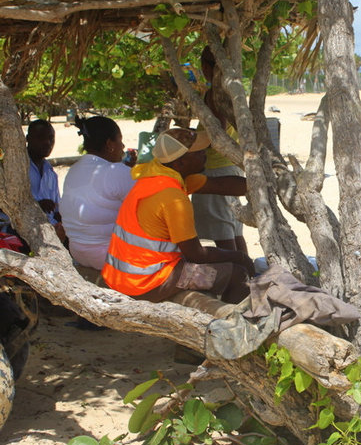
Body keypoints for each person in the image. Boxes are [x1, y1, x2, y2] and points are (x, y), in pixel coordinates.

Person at [101, 127, 255, 304]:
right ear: (181, 163)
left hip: (122, 276)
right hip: (147, 283)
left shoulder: (157, 175)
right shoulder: (173, 198)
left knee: (228, 264)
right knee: (237, 274)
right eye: (198, 152)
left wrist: (259, 183)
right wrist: (240, 257)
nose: (205, 153)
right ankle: (232, 324)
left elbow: (220, 185)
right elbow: (196, 255)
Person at [60, 116, 137, 269]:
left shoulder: (73, 169)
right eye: (120, 141)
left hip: (78, 252)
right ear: (109, 144)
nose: (122, 146)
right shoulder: (116, 171)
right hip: (111, 255)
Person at [191, 46, 247, 253]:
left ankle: (239, 277)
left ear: (206, 67)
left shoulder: (215, 93)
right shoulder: (233, 90)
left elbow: (217, 132)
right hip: (230, 166)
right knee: (233, 230)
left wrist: (189, 145)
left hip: (215, 169)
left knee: (223, 233)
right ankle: (246, 274)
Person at [26, 119, 66, 242]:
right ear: (27, 139)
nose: (47, 142)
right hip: (24, 229)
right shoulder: (17, 167)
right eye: (40, 137)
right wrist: (37, 206)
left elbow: (57, 210)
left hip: (51, 228)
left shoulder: (50, 172)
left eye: (51, 138)